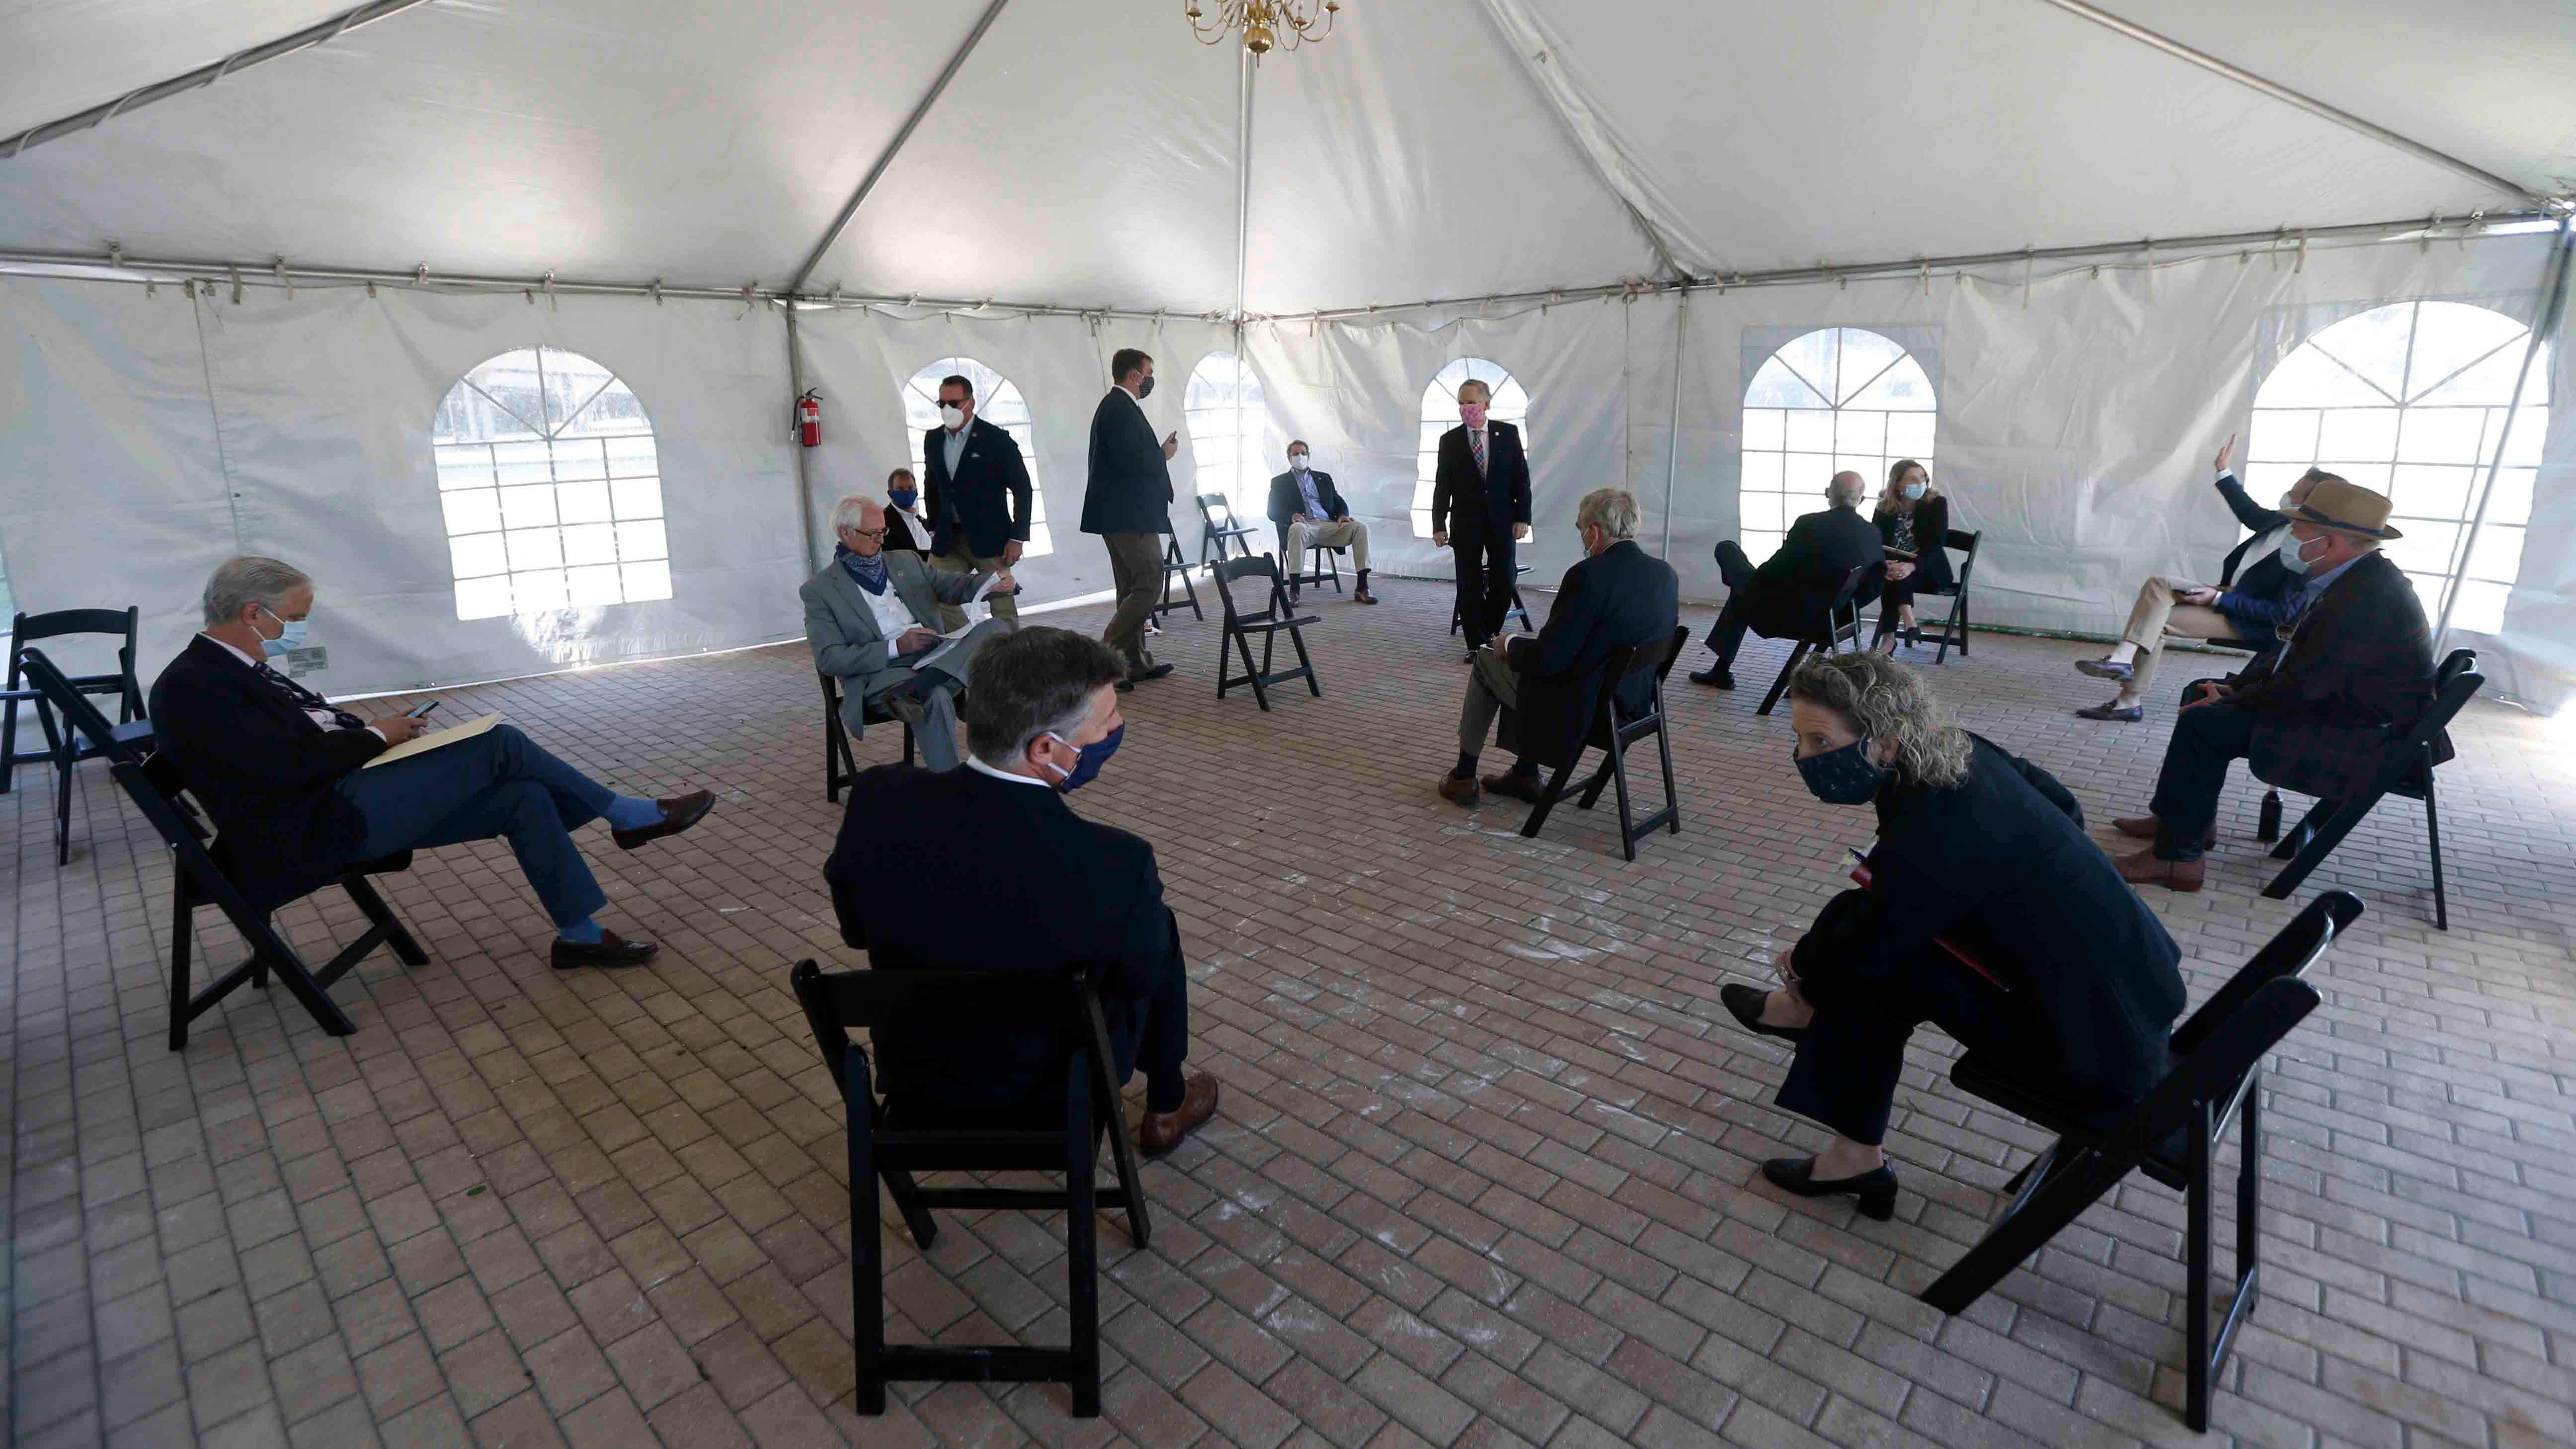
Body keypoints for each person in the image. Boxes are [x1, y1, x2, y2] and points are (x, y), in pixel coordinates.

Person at [1719, 651, 2185, 1217]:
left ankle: (1821, 1062)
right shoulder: (1958, 748)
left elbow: (1878, 941)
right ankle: (1818, 1054)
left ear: (1886, 742)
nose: (1804, 756)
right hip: (2142, 995)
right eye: (1799, 739)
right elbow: (2065, 805)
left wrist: (1804, 965)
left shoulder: (1932, 828)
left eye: (1819, 741)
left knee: (1881, 969)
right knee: (1869, 922)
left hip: (2093, 1051)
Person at [151, 557, 714, 969]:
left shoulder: (232, 667)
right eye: (295, 617)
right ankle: (628, 816)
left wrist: (381, 734)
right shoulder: (196, 685)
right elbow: (286, 767)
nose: (299, 630)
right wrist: (376, 735)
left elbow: (304, 734)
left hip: (334, 798)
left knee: (524, 795)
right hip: (305, 829)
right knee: (501, 745)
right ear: (253, 612)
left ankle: (580, 935)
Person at [823, 626, 1219, 1154]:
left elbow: (855, 930)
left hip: (917, 1073)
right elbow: (1139, 978)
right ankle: (1167, 1105)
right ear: (1045, 749)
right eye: (1107, 721)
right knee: (1154, 931)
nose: (1118, 727)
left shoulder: (878, 800)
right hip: (1059, 1085)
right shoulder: (1116, 862)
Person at [2110, 478, 2444, 892]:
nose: (2293, 539)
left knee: (2205, 722)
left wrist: (2237, 696)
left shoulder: (2365, 598)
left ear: (2330, 544)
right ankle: (2183, 822)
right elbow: (2292, 658)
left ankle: (2177, 860)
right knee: (2203, 691)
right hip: (2351, 712)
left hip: (2363, 737)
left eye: (2300, 531)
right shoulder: (2355, 579)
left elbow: (2303, 688)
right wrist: (2234, 689)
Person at [1439, 489, 1678, 806]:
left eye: (1581, 530)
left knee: (1489, 660)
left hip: (1583, 709)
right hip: (1634, 704)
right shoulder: (1665, 574)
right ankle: (1525, 773)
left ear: (1594, 532)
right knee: (1518, 663)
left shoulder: (1587, 576)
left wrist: (1508, 644)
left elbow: (1549, 661)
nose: (1582, 539)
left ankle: (1463, 776)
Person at [2073, 436, 2325, 721]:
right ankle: (2124, 674)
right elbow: (2247, 510)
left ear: (2312, 502)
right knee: (2159, 589)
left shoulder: (2308, 552)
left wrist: (2219, 599)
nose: (2288, 493)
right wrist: (2223, 470)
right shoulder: (2281, 521)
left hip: (2248, 618)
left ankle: (2126, 689)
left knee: (2157, 618)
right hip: (2232, 593)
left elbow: (2282, 615)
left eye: (2295, 491)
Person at [804, 495, 1017, 773]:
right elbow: (830, 659)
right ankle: (951, 782)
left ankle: (920, 688)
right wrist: (896, 647)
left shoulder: (905, 561)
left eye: (884, 532)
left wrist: (992, 584)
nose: (881, 540)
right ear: (845, 533)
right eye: (872, 534)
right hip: (882, 673)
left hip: (935, 656)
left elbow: (953, 586)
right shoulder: (820, 590)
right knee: (937, 696)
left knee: (998, 628)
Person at [1690, 472, 1885, 689]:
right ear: (1862, 499)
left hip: (1785, 617)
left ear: (1828, 493)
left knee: (1727, 549)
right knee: (1740, 592)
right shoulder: (1872, 533)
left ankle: (1722, 669)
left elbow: (1772, 573)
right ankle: (1721, 668)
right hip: (1835, 622)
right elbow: (1875, 585)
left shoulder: (1809, 525)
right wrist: (1844, 606)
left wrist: (1749, 586)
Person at [1083, 347, 1181, 691]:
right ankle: (1103, 660)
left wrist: (1156, 454)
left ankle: (1133, 664)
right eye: (1148, 372)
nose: (1150, 379)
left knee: (1129, 587)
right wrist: (1163, 455)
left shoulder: (1119, 407)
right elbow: (1131, 463)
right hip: (1129, 515)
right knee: (1150, 580)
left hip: (1121, 513)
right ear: (1135, 375)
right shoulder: (1119, 408)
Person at [1429, 378, 1532, 661]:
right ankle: (1476, 644)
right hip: (1465, 523)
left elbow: (1521, 479)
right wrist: (1438, 524)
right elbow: (1443, 485)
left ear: (1486, 403)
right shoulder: (1450, 441)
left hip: (1502, 521)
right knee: (1469, 583)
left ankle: (1490, 631)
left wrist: (1523, 517)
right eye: (1461, 403)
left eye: (1471, 402)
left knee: (1504, 577)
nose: (1466, 408)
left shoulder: (1507, 434)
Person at [921, 374, 1032, 627]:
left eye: (955, 403)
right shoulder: (933, 439)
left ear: (971, 403)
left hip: (991, 537)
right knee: (931, 592)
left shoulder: (996, 439)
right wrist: (934, 526)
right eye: (942, 404)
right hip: (948, 537)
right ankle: (970, 644)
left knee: (1001, 602)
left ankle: (1011, 657)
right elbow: (931, 485)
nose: (948, 410)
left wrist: (1018, 537)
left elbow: (1023, 488)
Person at [1268, 440, 1375, 604]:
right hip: (1304, 527)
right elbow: (1272, 511)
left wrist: (1342, 515)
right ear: (1289, 458)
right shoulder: (1280, 482)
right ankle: (1295, 592)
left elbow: (1339, 501)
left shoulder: (1323, 478)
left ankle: (1362, 587)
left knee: (1361, 528)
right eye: (1296, 454)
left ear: (1309, 456)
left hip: (1329, 526)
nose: (1300, 457)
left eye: (1303, 453)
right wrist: (1292, 515)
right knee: (1297, 529)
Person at [1867, 459, 1950, 654]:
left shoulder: (1937, 504)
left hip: (1927, 569)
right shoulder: (1884, 507)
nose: (1920, 482)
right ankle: (1910, 623)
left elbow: (1935, 545)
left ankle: (1889, 639)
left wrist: (1912, 566)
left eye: (1923, 477)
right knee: (1895, 573)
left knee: (1898, 575)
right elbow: (1875, 540)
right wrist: (1884, 564)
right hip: (1893, 566)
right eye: (1913, 479)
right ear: (1897, 483)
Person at [882, 468, 937, 561]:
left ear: (916, 491)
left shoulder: (922, 521)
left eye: (910, 488)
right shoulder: (883, 522)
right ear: (890, 493)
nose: (906, 492)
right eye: (900, 489)